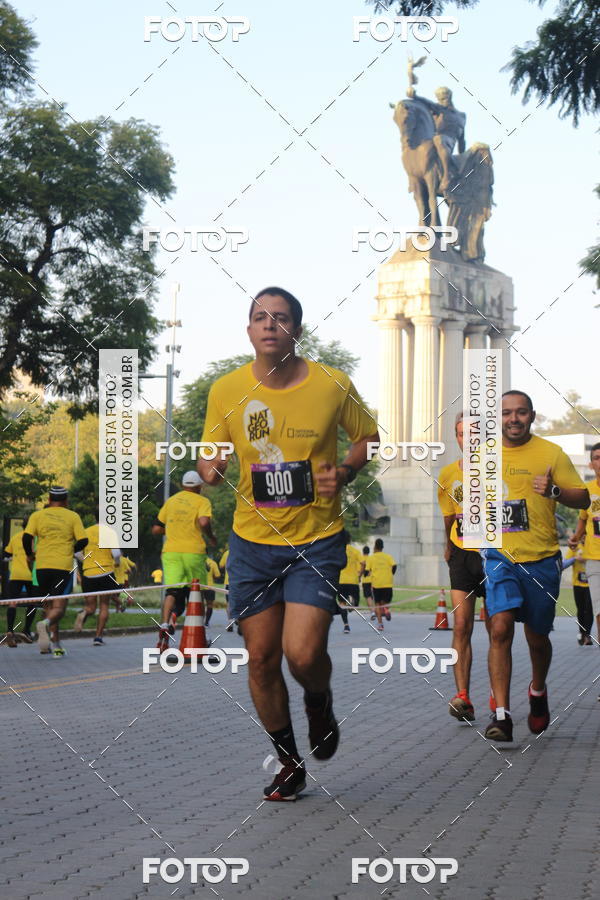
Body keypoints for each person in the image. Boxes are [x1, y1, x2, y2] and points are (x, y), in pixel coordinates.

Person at [198, 286, 379, 801]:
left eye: (280, 317)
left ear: (297, 329)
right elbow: (209, 455)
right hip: (252, 543)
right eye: (260, 317)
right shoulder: (226, 389)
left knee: (302, 653)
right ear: (249, 329)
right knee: (260, 659)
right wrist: (211, 468)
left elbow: (368, 438)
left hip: (316, 540)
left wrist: (344, 471)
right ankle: (289, 762)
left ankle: (318, 699)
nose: (269, 324)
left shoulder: (331, 382)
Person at [482, 391, 589, 742]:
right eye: (506, 413)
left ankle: (538, 691)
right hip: (500, 557)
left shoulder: (550, 453)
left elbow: (583, 498)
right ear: (497, 417)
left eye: (521, 412)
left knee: (537, 638)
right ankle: (501, 715)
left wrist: (554, 491)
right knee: (500, 628)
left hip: (542, 559)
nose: (513, 418)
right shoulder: (481, 456)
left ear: (532, 415)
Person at [437, 412, 490, 722]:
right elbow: (448, 517)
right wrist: (447, 546)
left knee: (499, 630)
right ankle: (463, 697)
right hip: (461, 555)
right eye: (461, 433)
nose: (467, 439)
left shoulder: (497, 470)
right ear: (456, 437)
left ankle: (498, 698)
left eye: (473, 433)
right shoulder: (447, 475)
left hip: (493, 556)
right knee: (460, 626)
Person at [152, 471, 216, 650]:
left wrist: (173, 530)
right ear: (199, 486)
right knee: (196, 593)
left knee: (172, 591)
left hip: (171, 552)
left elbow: (156, 529)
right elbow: (204, 523)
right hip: (193, 552)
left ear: (182, 485)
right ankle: (200, 634)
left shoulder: (171, 501)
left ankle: (165, 624)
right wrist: (211, 537)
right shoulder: (202, 501)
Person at [23, 487, 88, 657]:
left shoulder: (37, 515)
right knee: (58, 608)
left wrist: (30, 555)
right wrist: (71, 550)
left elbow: (26, 537)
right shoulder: (73, 516)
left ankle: (53, 645)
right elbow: (83, 540)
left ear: (49, 500)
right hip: (62, 567)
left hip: (42, 567)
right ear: (66, 501)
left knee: (49, 607)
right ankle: (45, 625)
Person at [568, 441, 600, 645]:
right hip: (595, 560)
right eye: (597, 458)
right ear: (591, 465)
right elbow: (583, 519)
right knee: (599, 610)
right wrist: (575, 537)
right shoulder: (586, 491)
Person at [74, 520, 121, 645]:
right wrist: (117, 563)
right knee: (104, 605)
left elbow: (76, 552)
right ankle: (98, 637)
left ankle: (84, 612)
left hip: (88, 574)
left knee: (91, 607)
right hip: (106, 571)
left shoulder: (85, 532)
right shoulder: (110, 532)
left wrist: (86, 561)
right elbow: (116, 553)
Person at [3, 518, 37, 645]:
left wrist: (13, 558)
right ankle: (26, 630)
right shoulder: (36, 539)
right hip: (32, 574)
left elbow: (6, 555)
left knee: (12, 603)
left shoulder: (15, 537)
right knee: (32, 603)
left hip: (16, 574)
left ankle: (10, 631)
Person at [563, 542, 593, 645]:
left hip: (591, 584)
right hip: (577, 584)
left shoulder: (594, 545)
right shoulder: (575, 547)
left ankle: (588, 636)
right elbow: (564, 564)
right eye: (583, 535)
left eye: (586, 534)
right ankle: (582, 632)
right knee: (580, 610)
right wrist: (575, 558)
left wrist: (588, 559)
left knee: (589, 609)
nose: (584, 536)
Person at [336, 533, 363, 634]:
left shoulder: (338, 551)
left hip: (341, 581)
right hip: (353, 581)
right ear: (350, 540)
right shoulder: (355, 551)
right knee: (354, 605)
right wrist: (360, 575)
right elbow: (363, 563)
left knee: (342, 604)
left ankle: (346, 626)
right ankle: (351, 602)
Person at [368, 539, 396, 632]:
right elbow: (394, 565)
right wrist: (391, 574)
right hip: (387, 583)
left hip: (377, 584)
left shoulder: (371, 558)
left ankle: (380, 624)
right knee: (385, 602)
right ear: (382, 547)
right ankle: (386, 610)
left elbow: (367, 570)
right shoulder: (388, 556)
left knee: (377, 604)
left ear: (375, 547)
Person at [202, 556, 220, 627]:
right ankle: (206, 622)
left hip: (199, 587)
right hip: (210, 587)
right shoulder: (213, 563)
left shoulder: (197, 562)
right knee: (209, 605)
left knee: (200, 605)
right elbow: (217, 575)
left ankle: (200, 621)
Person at [360, 546, 375, 620]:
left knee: (368, 597)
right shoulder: (371, 558)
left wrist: (359, 576)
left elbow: (361, 569)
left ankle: (373, 612)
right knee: (372, 597)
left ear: (363, 551)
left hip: (366, 581)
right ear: (369, 552)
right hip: (373, 580)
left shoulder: (361, 559)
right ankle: (376, 610)